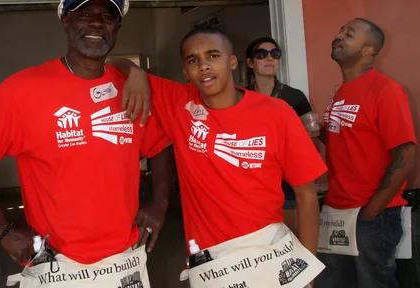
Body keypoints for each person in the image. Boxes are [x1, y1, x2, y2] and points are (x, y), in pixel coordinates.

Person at [0, 0, 174, 276]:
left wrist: (159, 204)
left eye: (107, 16)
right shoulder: (24, 90)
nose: (96, 22)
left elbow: (161, 147)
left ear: (117, 27)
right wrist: (3, 230)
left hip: (126, 261)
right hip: (59, 265)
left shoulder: (129, 89)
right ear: (65, 20)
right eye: (84, 13)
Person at [112, 26, 328, 286]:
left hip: (270, 252)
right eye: (193, 60)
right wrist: (136, 73)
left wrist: (308, 268)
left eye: (213, 55)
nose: (203, 65)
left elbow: (306, 194)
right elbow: (115, 63)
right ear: (186, 71)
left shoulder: (277, 113)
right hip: (213, 266)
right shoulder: (179, 102)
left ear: (233, 62)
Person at [314, 18, 417, 288]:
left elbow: (404, 156)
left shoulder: (387, 91)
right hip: (336, 210)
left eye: (349, 33)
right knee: (333, 283)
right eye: (340, 30)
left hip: (370, 213)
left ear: (368, 51)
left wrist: (371, 212)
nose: (338, 35)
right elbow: (343, 137)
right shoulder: (339, 93)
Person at [245, 37, 316, 234]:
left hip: (288, 181)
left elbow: (311, 137)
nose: (269, 58)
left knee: (290, 239)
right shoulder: (240, 96)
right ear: (250, 63)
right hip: (252, 180)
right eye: (261, 54)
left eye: (275, 54)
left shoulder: (294, 97)